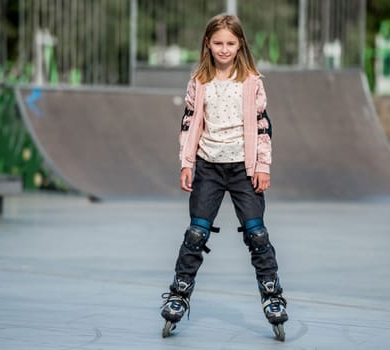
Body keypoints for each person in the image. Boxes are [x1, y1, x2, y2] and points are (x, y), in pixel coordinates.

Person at [161, 13, 288, 339]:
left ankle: (272, 296)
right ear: (207, 43)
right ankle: (178, 293)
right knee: (196, 233)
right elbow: (189, 126)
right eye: (218, 43)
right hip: (208, 167)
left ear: (240, 44)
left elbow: (263, 128)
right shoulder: (199, 82)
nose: (224, 49)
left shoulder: (251, 83)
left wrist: (263, 166)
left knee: (257, 234)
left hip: (243, 169)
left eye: (230, 43)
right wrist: (186, 163)